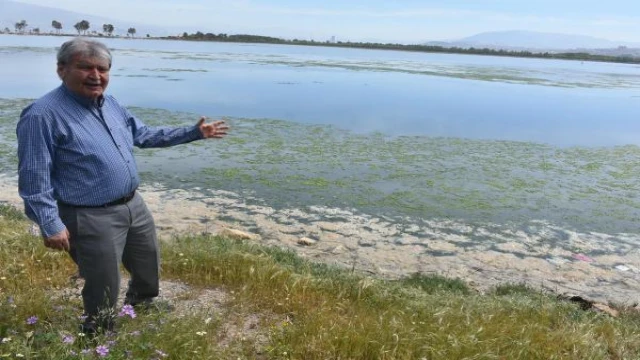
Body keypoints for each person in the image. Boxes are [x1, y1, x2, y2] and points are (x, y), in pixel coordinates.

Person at [16, 37, 229, 334]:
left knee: (148, 262)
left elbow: (144, 135)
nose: (96, 75)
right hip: (89, 215)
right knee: (104, 279)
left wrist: (192, 133)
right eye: (85, 67)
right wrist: (49, 222)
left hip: (132, 204)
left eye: (102, 68)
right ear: (61, 69)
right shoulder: (42, 115)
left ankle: (142, 301)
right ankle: (99, 331)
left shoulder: (111, 103)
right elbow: (34, 176)